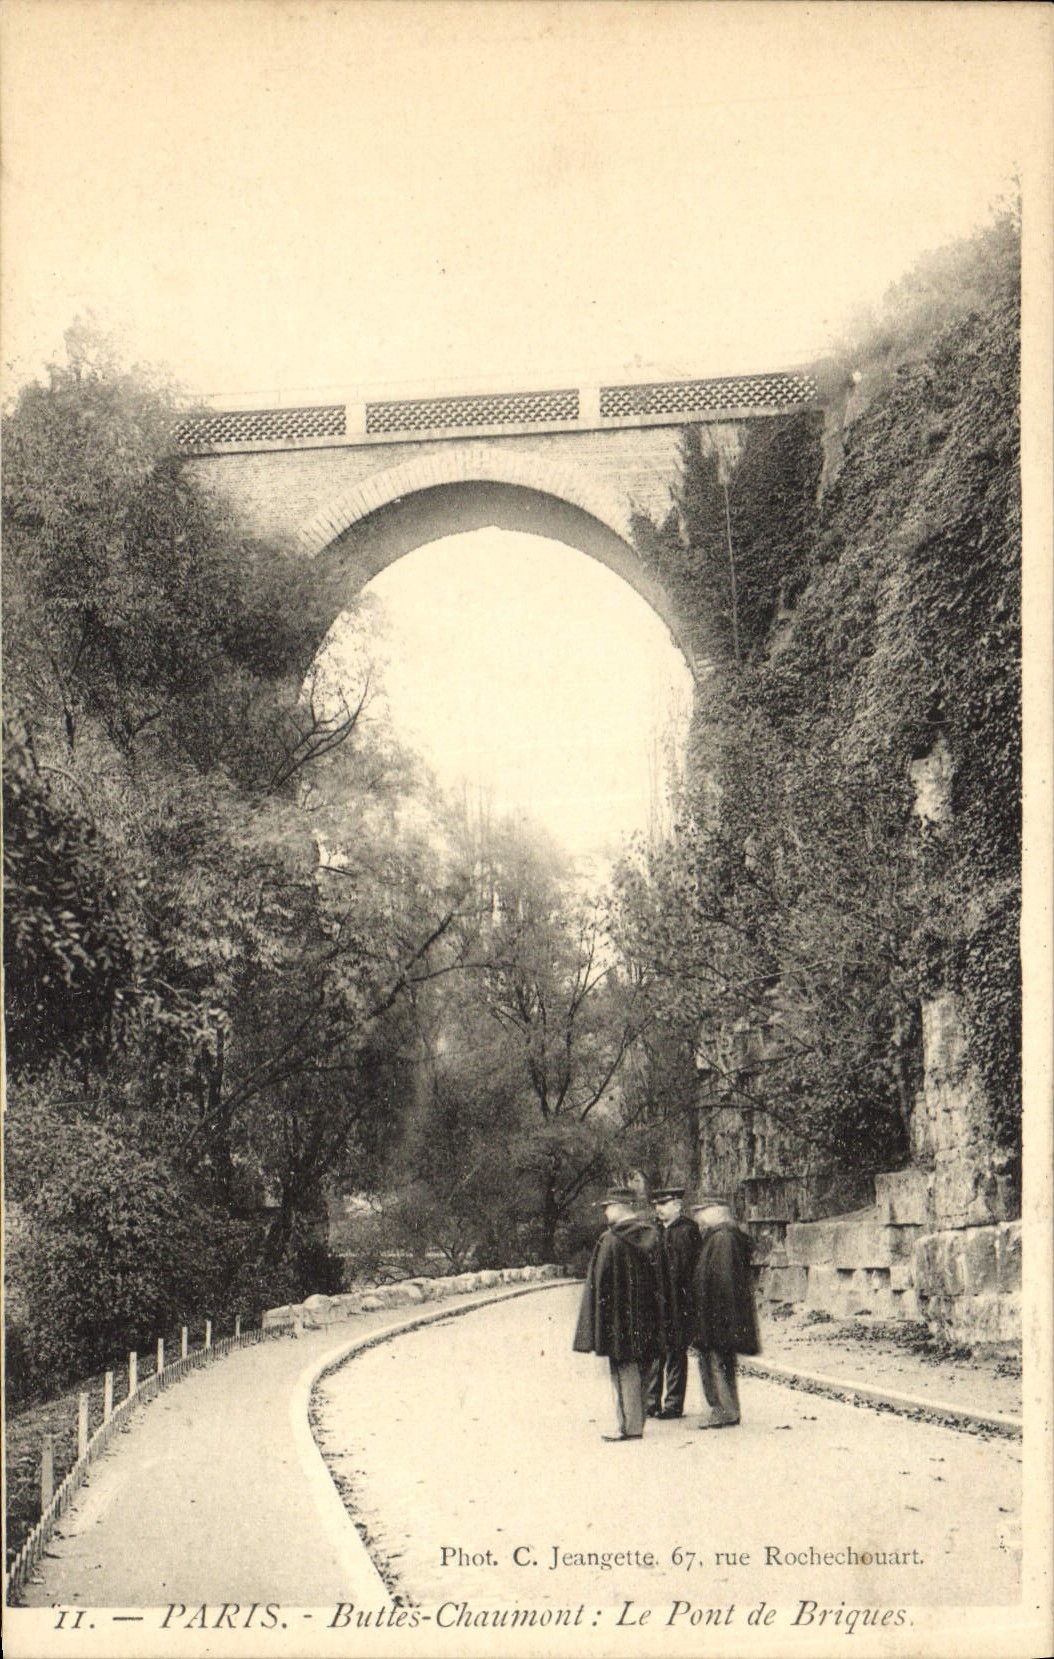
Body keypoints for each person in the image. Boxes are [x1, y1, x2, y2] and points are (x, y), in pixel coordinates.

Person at [573, 1187, 662, 1440]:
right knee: (643, 1368)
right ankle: (637, 1421)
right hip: (647, 1317)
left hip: (619, 1320)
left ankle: (628, 1426)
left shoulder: (610, 1240)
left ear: (621, 1207)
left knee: (623, 1369)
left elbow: (599, 1285)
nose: (605, 1212)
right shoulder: (653, 1235)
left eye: (607, 1206)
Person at [687, 1195, 760, 1428]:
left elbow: (723, 1280)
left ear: (717, 1211)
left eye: (702, 1210)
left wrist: (717, 1315)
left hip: (717, 1313)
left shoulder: (722, 1238)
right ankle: (724, 1409)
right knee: (717, 1361)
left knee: (716, 1362)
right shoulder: (721, 1237)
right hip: (719, 1312)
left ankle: (724, 1411)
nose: (698, 1216)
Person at [644, 1186, 702, 1419]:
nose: (658, 1209)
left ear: (677, 1206)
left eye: (664, 1204)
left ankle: (673, 1404)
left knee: (676, 1352)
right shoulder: (654, 1231)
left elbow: (693, 1270)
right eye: (657, 1205)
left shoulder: (687, 1231)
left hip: (679, 1303)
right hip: (656, 1303)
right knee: (655, 1353)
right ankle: (650, 1402)